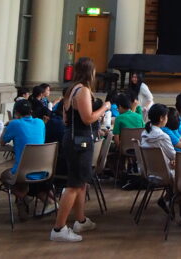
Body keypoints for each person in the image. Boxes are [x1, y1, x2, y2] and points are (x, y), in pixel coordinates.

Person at [51, 57, 110, 242]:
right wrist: (105, 108)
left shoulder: (71, 90)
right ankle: (59, 229)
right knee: (74, 185)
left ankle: (81, 220)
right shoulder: (82, 90)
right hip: (80, 140)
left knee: (81, 182)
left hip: (74, 138)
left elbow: (65, 119)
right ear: (90, 72)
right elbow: (88, 118)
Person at [1, 99, 46, 218]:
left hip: (22, 173)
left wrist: (7, 125)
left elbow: (2, 142)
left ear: (16, 113)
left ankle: (22, 198)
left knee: (5, 176)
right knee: (19, 173)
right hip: (42, 171)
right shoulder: (40, 123)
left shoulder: (15, 124)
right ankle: (23, 199)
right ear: (31, 111)